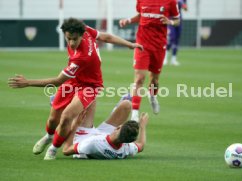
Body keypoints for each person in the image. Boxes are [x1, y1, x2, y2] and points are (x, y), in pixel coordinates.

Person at [8, 17, 143, 160]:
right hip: (73, 80)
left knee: (67, 116)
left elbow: (57, 81)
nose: (71, 43)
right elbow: (105, 36)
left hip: (90, 86)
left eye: (74, 39)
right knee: (53, 119)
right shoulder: (85, 30)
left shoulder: (81, 57)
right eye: (68, 39)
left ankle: (53, 149)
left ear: (81, 35)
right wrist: (129, 44)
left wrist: (28, 82)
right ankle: (48, 136)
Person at [119, 0, 180, 121]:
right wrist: (129, 20)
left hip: (159, 46)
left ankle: (152, 96)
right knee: (139, 78)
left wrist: (170, 22)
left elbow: (178, 20)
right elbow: (141, 15)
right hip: (142, 44)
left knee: (154, 79)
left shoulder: (171, 2)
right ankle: (135, 112)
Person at [62, 100, 149, 159]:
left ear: (118, 127)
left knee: (89, 99)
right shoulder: (126, 148)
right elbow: (141, 145)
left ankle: (62, 103)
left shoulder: (92, 144)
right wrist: (142, 127)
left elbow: (66, 150)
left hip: (84, 136)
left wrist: (75, 126)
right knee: (127, 105)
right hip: (105, 135)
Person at [164, 0, 188, 66]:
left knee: (176, 40)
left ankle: (173, 59)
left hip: (179, 21)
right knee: (171, 38)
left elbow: (186, 9)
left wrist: (183, 4)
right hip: (170, 19)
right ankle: (165, 59)